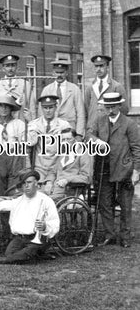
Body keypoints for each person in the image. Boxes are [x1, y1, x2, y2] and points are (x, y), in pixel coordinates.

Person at [86, 93, 140, 248]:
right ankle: (110, 235)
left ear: (119, 106)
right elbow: (88, 135)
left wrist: (136, 171)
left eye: (113, 107)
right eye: (107, 107)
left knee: (125, 204)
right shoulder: (99, 121)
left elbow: (137, 149)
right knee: (104, 203)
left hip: (124, 168)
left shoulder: (129, 124)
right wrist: (97, 141)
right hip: (103, 168)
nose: (110, 110)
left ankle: (125, 236)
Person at [0, 170, 60, 264]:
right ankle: (37, 256)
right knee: (9, 253)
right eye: (24, 183)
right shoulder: (19, 201)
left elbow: (55, 223)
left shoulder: (46, 201)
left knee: (29, 251)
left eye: (29, 182)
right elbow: (4, 204)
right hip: (20, 239)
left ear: (36, 183)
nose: (26, 186)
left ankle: (1, 261)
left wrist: (45, 226)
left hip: (39, 239)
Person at [0, 94, 26, 237]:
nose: (3, 109)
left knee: (15, 197)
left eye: (7, 106)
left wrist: (24, 167)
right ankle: (5, 232)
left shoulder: (19, 124)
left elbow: (24, 147)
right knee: (2, 198)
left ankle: (17, 232)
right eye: (1, 106)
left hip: (15, 162)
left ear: (11, 108)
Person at [27, 95, 70, 192]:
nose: (48, 111)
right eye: (45, 108)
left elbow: (67, 150)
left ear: (56, 107)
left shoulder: (64, 125)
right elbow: (30, 143)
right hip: (39, 168)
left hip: (56, 168)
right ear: (41, 108)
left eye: (51, 107)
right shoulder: (34, 124)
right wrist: (34, 131)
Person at [40, 60, 85, 139]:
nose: (59, 75)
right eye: (57, 72)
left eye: (62, 72)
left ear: (66, 73)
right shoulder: (47, 90)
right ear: (53, 73)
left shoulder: (74, 89)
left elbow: (80, 113)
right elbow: (41, 113)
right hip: (51, 131)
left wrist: (79, 134)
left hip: (70, 131)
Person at [86, 55, 129, 131]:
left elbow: (124, 109)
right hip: (93, 129)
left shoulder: (116, 86)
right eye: (96, 66)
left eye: (101, 66)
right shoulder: (90, 87)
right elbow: (86, 109)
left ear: (107, 67)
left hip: (110, 129)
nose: (98, 69)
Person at [48, 128, 92, 201]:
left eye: (68, 139)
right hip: (54, 190)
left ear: (75, 139)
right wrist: (49, 182)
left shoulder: (83, 153)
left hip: (69, 191)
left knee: (41, 202)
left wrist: (67, 180)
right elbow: (53, 171)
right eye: (63, 140)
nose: (65, 142)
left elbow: (86, 177)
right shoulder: (62, 152)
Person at [0, 55, 36, 121]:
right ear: (3, 68)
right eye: (7, 66)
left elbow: (32, 108)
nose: (10, 69)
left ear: (17, 67)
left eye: (13, 65)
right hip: (3, 124)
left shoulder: (25, 84)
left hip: (21, 124)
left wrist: (32, 123)